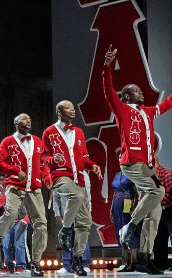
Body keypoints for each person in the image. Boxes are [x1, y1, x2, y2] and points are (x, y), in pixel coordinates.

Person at [103, 47, 172, 275]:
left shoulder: (148, 112)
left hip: (146, 167)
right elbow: (108, 92)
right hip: (131, 164)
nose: (141, 92)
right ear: (127, 97)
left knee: (155, 213)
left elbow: (169, 103)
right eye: (136, 91)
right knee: (157, 192)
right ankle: (130, 226)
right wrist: (107, 68)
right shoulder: (122, 109)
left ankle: (146, 258)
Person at [41, 101, 102, 276]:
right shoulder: (49, 132)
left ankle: (77, 261)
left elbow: (83, 158)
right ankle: (66, 230)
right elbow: (44, 158)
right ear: (58, 112)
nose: (72, 110)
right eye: (68, 108)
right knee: (75, 196)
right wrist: (54, 160)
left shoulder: (79, 132)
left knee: (84, 224)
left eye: (73, 108)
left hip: (79, 178)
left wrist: (92, 166)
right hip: (60, 176)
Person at [0, 113, 52, 277]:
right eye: (24, 118)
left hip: (34, 188)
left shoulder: (38, 141)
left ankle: (35, 262)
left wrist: (48, 179)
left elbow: (43, 163)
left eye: (30, 118)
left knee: (41, 224)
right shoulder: (7, 142)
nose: (28, 120)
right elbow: (1, 162)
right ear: (16, 123)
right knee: (11, 213)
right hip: (15, 185)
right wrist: (15, 171)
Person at [53, 170, 92, 274]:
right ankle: (67, 264)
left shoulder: (83, 174)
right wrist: (57, 214)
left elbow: (87, 195)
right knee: (66, 237)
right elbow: (55, 197)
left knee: (82, 235)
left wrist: (88, 211)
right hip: (66, 212)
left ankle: (84, 263)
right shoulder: (59, 173)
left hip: (80, 211)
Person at [110, 148, 140, 273]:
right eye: (119, 157)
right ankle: (125, 261)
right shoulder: (118, 174)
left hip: (128, 201)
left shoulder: (132, 173)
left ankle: (134, 261)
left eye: (122, 156)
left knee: (130, 230)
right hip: (117, 203)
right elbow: (114, 192)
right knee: (120, 231)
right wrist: (111, 208)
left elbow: (137, 190)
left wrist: (134, 205)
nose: (120, 159)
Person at [153, 157, 172, 271]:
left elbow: (167, 196)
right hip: (158, 208)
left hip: (171, 207)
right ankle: (159, 263)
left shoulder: (167, 174)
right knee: (159, 236)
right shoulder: (148, 176)